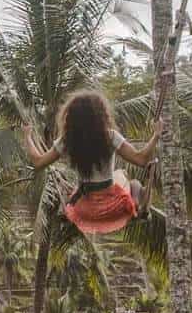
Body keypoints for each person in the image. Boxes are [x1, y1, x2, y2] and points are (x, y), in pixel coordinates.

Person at [23, 90, 162, 234]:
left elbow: (38, 162)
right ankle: (139, 208)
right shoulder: (110, 136)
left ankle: (67, 210)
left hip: (84, 211)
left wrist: (27, 136)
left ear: (70, 117)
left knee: (112, 177)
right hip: (114, 207)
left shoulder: (66, 141)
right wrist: (156, 135)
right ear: (101, 114)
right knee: (134, 184)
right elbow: (141, 159)